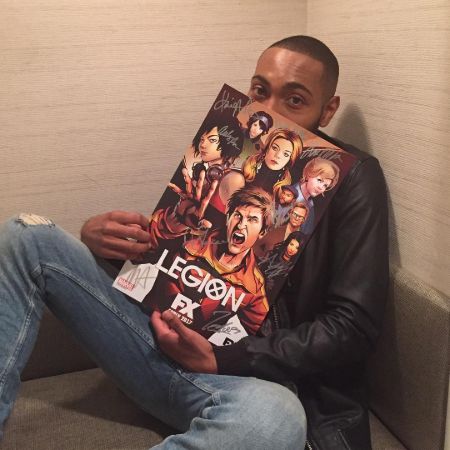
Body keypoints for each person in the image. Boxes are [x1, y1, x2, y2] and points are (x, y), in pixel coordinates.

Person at [0, 35, 389, 450]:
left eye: (295, 100)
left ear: (328, 109)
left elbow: (352, 327)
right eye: (260, 91)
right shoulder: (230, 159)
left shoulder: (350, 178)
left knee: (273, 419)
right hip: (156, 341)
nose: (270, 111)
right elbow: (171, 257)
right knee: (26, 235)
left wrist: (223, 358)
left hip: (249, 382)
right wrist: (105, 246)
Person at [292, 157, 340, 235]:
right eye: (319, 180)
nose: (321, 187)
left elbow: (306, 234)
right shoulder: (288, 195)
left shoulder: (310, 206)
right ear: (308, 174)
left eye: (325, 185)